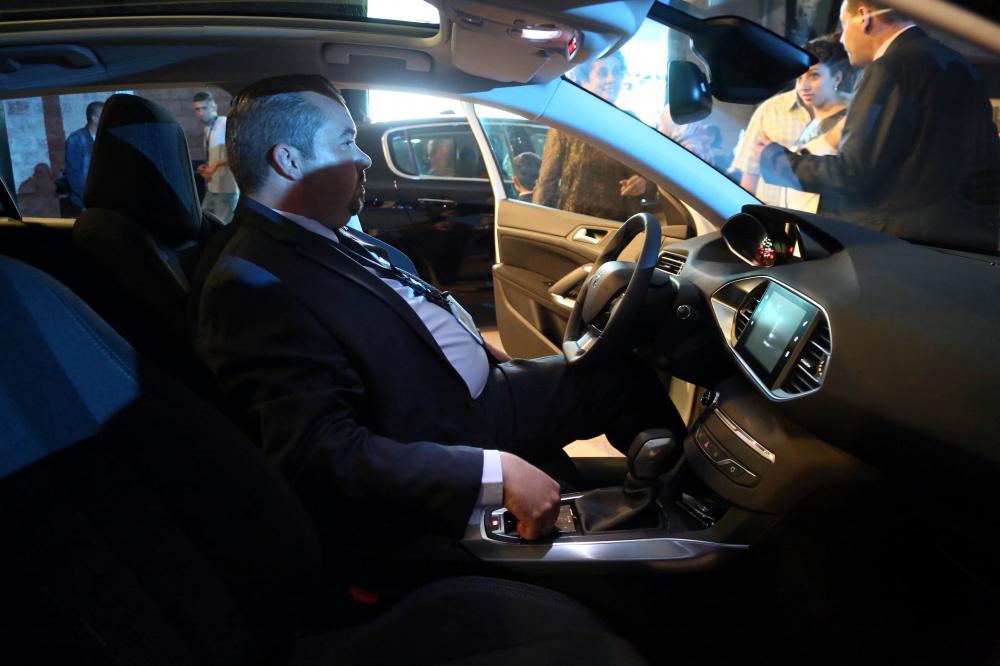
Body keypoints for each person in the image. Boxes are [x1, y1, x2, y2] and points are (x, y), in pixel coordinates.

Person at [192, 75, 684, 544]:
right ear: (288, 161)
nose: (364, 157)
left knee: (616, 372)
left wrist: (482, 353)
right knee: (617, 378)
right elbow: (320, 452)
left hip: (470, 393)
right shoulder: (251, 284)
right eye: (346, 142)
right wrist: (494, 472)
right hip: (447, 431)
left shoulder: (311, 232)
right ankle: (687, 507)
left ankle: (674, 488)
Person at [756, 1, 1000, 253]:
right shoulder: (957, 63)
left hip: (899, 245)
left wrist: (774, 158)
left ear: (865, 17)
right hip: (967, 243)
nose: (842, 40)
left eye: (844, 25)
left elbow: (852, 174)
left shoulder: (888, 69)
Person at [533, 51, 654, 221]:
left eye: (616, 72)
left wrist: (643, 183)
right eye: (603, 73)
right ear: (583, 79)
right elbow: (547, 184)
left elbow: (653, 177)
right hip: (578, 226)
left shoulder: (630, 122)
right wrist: (539, 224)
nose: (612, 79)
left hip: (624, 226)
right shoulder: (568, 125)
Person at [771, 37, 854, 213]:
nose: (804, 86)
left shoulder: (848, 122)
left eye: (814, 75)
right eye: (799, 78)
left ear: (837, 78)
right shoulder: (813, 121)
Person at [728, 89, 811, 205]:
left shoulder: (839, 118)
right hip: (768, 209)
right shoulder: (770, 109)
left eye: (815, 78)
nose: (805, 85)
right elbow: (750, 173)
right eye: (802, 79)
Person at [193, 91, 239, 223]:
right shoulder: (207, 128)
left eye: (204, 108)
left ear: (213, 106)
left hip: (227, 189)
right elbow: (215, 156)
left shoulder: (225, 123)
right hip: (212, 186)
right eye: (197, 109)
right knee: (204, 223)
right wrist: (206, 168)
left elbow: (238, 154)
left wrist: (216, 164)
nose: (201, 112)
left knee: (222, 226)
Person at [64, 100, 104, 216]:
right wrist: (91, 199)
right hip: (87, 202)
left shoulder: (107, 137)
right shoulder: (76, 139)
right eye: (104, 115)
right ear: (95, 118)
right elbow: (74, 175)